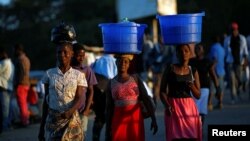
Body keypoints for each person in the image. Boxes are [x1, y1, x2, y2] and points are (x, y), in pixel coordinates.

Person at [38, 22, 88, 141]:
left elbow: (79, 97)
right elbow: (46, 101)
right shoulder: (49, 74)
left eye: (65, 52)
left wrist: (70, 111)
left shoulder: (78, 75)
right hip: (53, 122)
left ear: (71, 54)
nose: (62, 55)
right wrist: (41, 129)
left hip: (72, 121)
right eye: (59, 52)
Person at [105, 54, 158, 141]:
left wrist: (153, 119)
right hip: (118, 119)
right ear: (116, 63)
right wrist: (107, 131)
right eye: (120, 61)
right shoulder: (111, 83)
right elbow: (109, 108)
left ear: (129, 64)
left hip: (135, 119)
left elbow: (146, 98)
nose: (123, 64)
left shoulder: (135, 79)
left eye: (126, 62)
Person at [160, 44, 202, 141]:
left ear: (190, 53)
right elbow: (162, 91)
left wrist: (192, 86)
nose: (183, 53)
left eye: (186, 51)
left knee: (191, 137)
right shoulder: (170, 69)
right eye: (180, 51)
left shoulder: (193, 71)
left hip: (189, 110)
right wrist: (167, 105)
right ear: (177, 54)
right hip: (173, 108)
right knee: (175, 137)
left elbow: (198, 95)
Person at [71, 42, 98, 140]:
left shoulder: (87, 70)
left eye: (83, 56)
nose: (81, 58)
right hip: (68, 112)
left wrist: (87, 110)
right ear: (72, 55)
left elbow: (91, 91)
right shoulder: (67, 70)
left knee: (81, 137)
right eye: (78, 55)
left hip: (82, 112)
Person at [189, 43, 220, 126]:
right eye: (196, 48)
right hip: (193, 89)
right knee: (194, 111)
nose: (197, 50)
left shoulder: (207, 61)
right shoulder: (191, 61)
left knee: (201, 111)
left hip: (204, 89)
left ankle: (200, 128)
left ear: (203, 50)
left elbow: (213, 75)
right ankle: (195, 128)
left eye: (199, 48)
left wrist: (218, 88)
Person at [91, 53, 117, 141]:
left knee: (99, 117)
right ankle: (109, 137)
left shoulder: (98, 61)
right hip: (111, 91)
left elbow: (92, 75)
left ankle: (96, 137)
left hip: (98, 91)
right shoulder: (116, 61)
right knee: (111, 118)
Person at [224, 22, 248, 104]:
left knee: (238, 80)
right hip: (230, 62)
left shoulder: (242, 39)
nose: (234, 31)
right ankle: (233, 97)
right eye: (232, 30)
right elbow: (226, 52)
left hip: (239, 63)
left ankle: (238, 92)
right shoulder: (227, 40)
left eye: (235, 30)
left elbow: (245, 52)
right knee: (231, 80)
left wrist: (245, 63)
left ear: (237, 30)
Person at [13, 43, 31, 127]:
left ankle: (24, 122)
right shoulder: (26, 59)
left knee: (22, 104)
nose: (14, 51)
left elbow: (21, 73)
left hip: (21, 84)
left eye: (15, 50)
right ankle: (25, 120)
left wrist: (17, 84)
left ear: (18, 50)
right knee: (24, 104)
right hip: (26, 84)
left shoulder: (20, 60)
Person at [208, 35, 226, 110]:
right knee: (220, 87)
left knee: (212, 87)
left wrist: (211, 67)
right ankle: (220, 103)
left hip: (214, 71)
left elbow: (214, 59)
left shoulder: (213, 48)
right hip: (222, 70)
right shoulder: (222, 48)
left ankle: (209, 103)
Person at [0, 47, 15, 132]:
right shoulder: (11, 64)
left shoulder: (3, 62)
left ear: (3, 54)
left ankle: (5, 126)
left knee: (4, 109)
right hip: (9, 87)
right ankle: (8, 124)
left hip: (3, 87)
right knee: (8, 108)